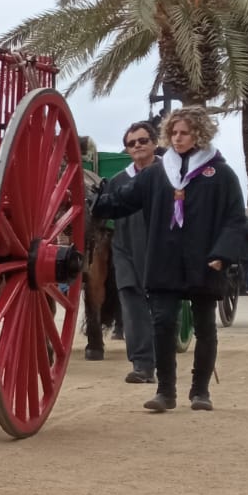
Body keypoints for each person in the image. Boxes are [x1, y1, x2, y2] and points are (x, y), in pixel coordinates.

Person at [94, 107, 248, 412]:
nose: (177, 138)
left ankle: (200, 391)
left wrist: (222, 254)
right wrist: (94, 202)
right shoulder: (157, 174)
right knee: (163, 323)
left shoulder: (220, 174)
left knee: (205, 326)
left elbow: (236, 220)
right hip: (164, 259)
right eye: (174, 132)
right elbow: (123, 201)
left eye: (184, 133)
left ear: (199, 134)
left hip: (206, 261)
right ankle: (165, 392)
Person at [113, 121, 159, 385]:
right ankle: (142, 365)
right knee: (132, 307)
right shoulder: (120, 180)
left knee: (162, 310)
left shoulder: (171, 173)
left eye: (142, 141)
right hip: (126, 250)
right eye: (132, 143)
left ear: (153, 142)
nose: (138, 146)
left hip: (162, 250)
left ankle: (162, 363)